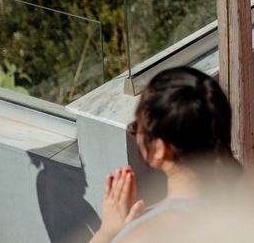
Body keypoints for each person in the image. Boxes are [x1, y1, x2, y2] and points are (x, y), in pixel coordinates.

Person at [89, 66, 241, 243]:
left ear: (160, 149)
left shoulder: (146, 235)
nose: (134, 135)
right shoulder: (235, 211)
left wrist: (108, 232)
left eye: (136, 128)